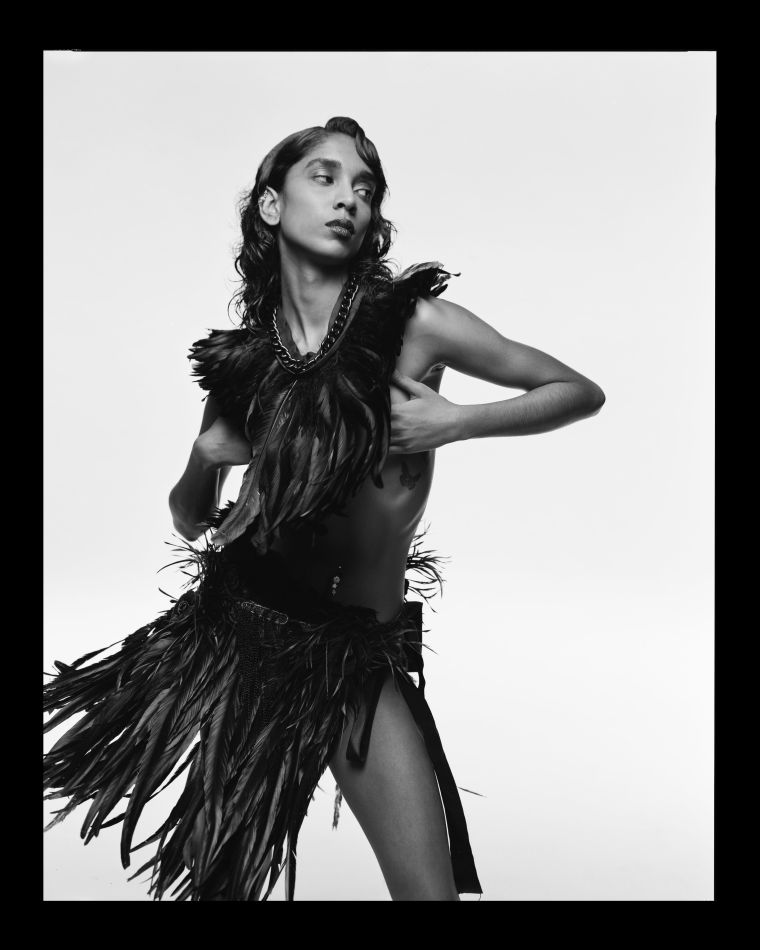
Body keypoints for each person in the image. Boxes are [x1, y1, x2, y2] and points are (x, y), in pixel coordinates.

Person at [43, 116, 605, 902]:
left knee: (428, 893)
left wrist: (456, 421)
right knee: (222, 887)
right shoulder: (247, 360)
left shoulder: (412, 325)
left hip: (354, 653)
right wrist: (204, 458)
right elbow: (190, 517)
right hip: (244, 634)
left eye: (366, 189)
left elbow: (577, 390)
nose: (350, 198)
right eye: (326, 177)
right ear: (272, 206)